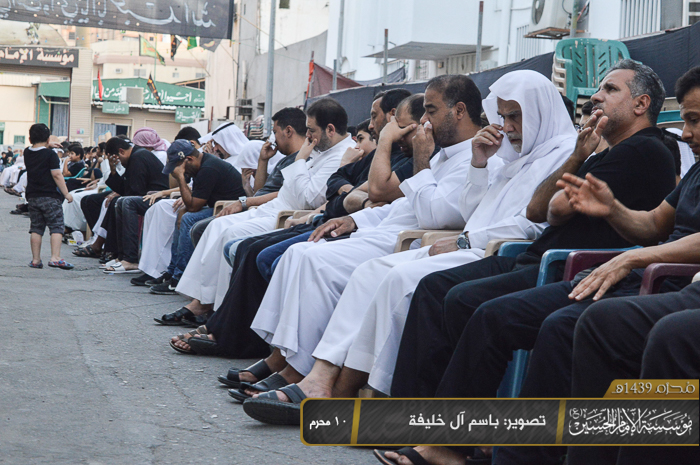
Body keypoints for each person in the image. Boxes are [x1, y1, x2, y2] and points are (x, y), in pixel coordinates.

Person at [241, 70, 579, 423]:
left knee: (396, 278)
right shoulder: (511, 155)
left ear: (539, 112)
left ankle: (350, 394)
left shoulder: (561, 155)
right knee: (369, 272)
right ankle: (321, 379)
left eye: (515, 117)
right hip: (463, 244)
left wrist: (464, 232)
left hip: (490, 250)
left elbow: (524, 223)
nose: (507, 127)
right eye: (504, 116)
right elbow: (470, 210)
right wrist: (479, 164)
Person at [384, 59, 677, 465]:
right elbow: (543, 210)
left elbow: (554, 210)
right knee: (442, 291)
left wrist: (568, 186)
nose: (596, 97)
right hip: (535, 257)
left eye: (610, 90)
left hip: (568, 266)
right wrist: (578, 156)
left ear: (641, 104)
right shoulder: (598, 152)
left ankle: (452, 442)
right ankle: (438, 428)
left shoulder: (645, 150)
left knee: (484, 312)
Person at [237, 75, 483, 412]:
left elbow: (432, 215)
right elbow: (401, 206)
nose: (424, 121)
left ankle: (310, 375)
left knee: (322, 262)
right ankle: (291, 363)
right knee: (302, 252)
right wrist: (356, 220)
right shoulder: (443, 156)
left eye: (431, 110)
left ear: (459, 111)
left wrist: (421, 160)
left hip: (414, 242)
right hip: (390, 231)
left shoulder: (471, 157)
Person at [172, 92, 415, 356]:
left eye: (311, 130)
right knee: (236, 240)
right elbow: (337, 183)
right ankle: (218, 318)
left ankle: (242, 334)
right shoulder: (350, 153)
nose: (307, 136)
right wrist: (348, 192)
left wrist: (307, 165)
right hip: (314, 215)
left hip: (323, 219)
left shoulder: (359, 153)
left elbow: (315, 196)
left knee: (252, 248)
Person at [563, 65, 700, 465]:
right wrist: (612, 209)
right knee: (592, 320)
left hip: (673, 279)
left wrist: (636, 256)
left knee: (669, 334)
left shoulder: (645, 150)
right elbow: (654, 224)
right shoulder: (696, 172)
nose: (686, 133)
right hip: (673, 278)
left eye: (694, 120)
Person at [172, 98, 355, 318]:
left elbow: (309, 199)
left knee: (230, 233)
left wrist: (300, 160)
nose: (307, 135)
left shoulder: (339, 155)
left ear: (330, 130)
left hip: (287, 215)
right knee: (216, 226)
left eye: (311, 130)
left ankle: (220, 310)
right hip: (273, 207)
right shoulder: (320, 148)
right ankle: (201, 300)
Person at [137, 140, 246, 299]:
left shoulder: (208, 168)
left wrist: (181, 177)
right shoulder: (202, 164)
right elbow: (193, 199)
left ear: (189, 159)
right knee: (182, 214)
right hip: (217, 206)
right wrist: (183, 205)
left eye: (179, 166)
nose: (178, 171)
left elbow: (194, 206)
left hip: (230, 209)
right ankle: (172, 271)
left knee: (188, 218)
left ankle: (179, 276)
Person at [98, 137, 170, 273]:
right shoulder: (135, 156)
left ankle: (131, 259)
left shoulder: (138, 157)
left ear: (121, 151)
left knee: (126, 202)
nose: (119, 163)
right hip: (148, 196)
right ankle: (121, 256)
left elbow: (135, 191)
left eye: (117, 159)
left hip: (159, 198)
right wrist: (113, 171)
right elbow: (126, 189)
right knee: (119, 201)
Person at [24, 124, 74, 270]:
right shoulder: (51, 154)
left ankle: (35, 260)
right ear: (47, 139)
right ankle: (55, 258)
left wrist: (47, 144)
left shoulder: (27, 152)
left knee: (36, 228)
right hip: (49, 196)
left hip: (32, 196)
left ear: (30, 139)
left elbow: (36, 149)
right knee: (56, 226)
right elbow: (57, 175)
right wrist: (66, 193)